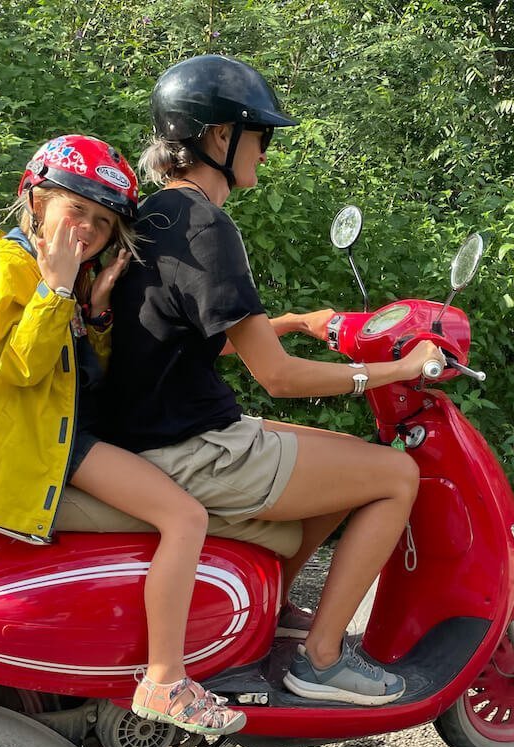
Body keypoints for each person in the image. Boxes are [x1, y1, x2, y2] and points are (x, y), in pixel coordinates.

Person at [104, 56, 447, 706]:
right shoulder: (207, 227)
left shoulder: (158, 215)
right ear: (219, 136)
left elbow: (190, 336)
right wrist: (403, 369)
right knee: (394, 474)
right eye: (259, 134)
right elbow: (279, 377)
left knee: (342, 460)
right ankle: (321, 659)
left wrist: (292, 321)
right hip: (190, 448)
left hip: (152, 434)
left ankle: (269, 613)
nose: (265, 149)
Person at [0, 134, 244, 735]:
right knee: (185, 518)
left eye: (103, 222)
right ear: (35, 200)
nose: (87, 229)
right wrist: (56, 289)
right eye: (76, 209)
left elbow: (82, 374)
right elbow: (22, 368)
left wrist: (97, 307)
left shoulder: (60, 274)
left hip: (61, 437)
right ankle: (164, 681)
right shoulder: (5, 269)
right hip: (42, 449)